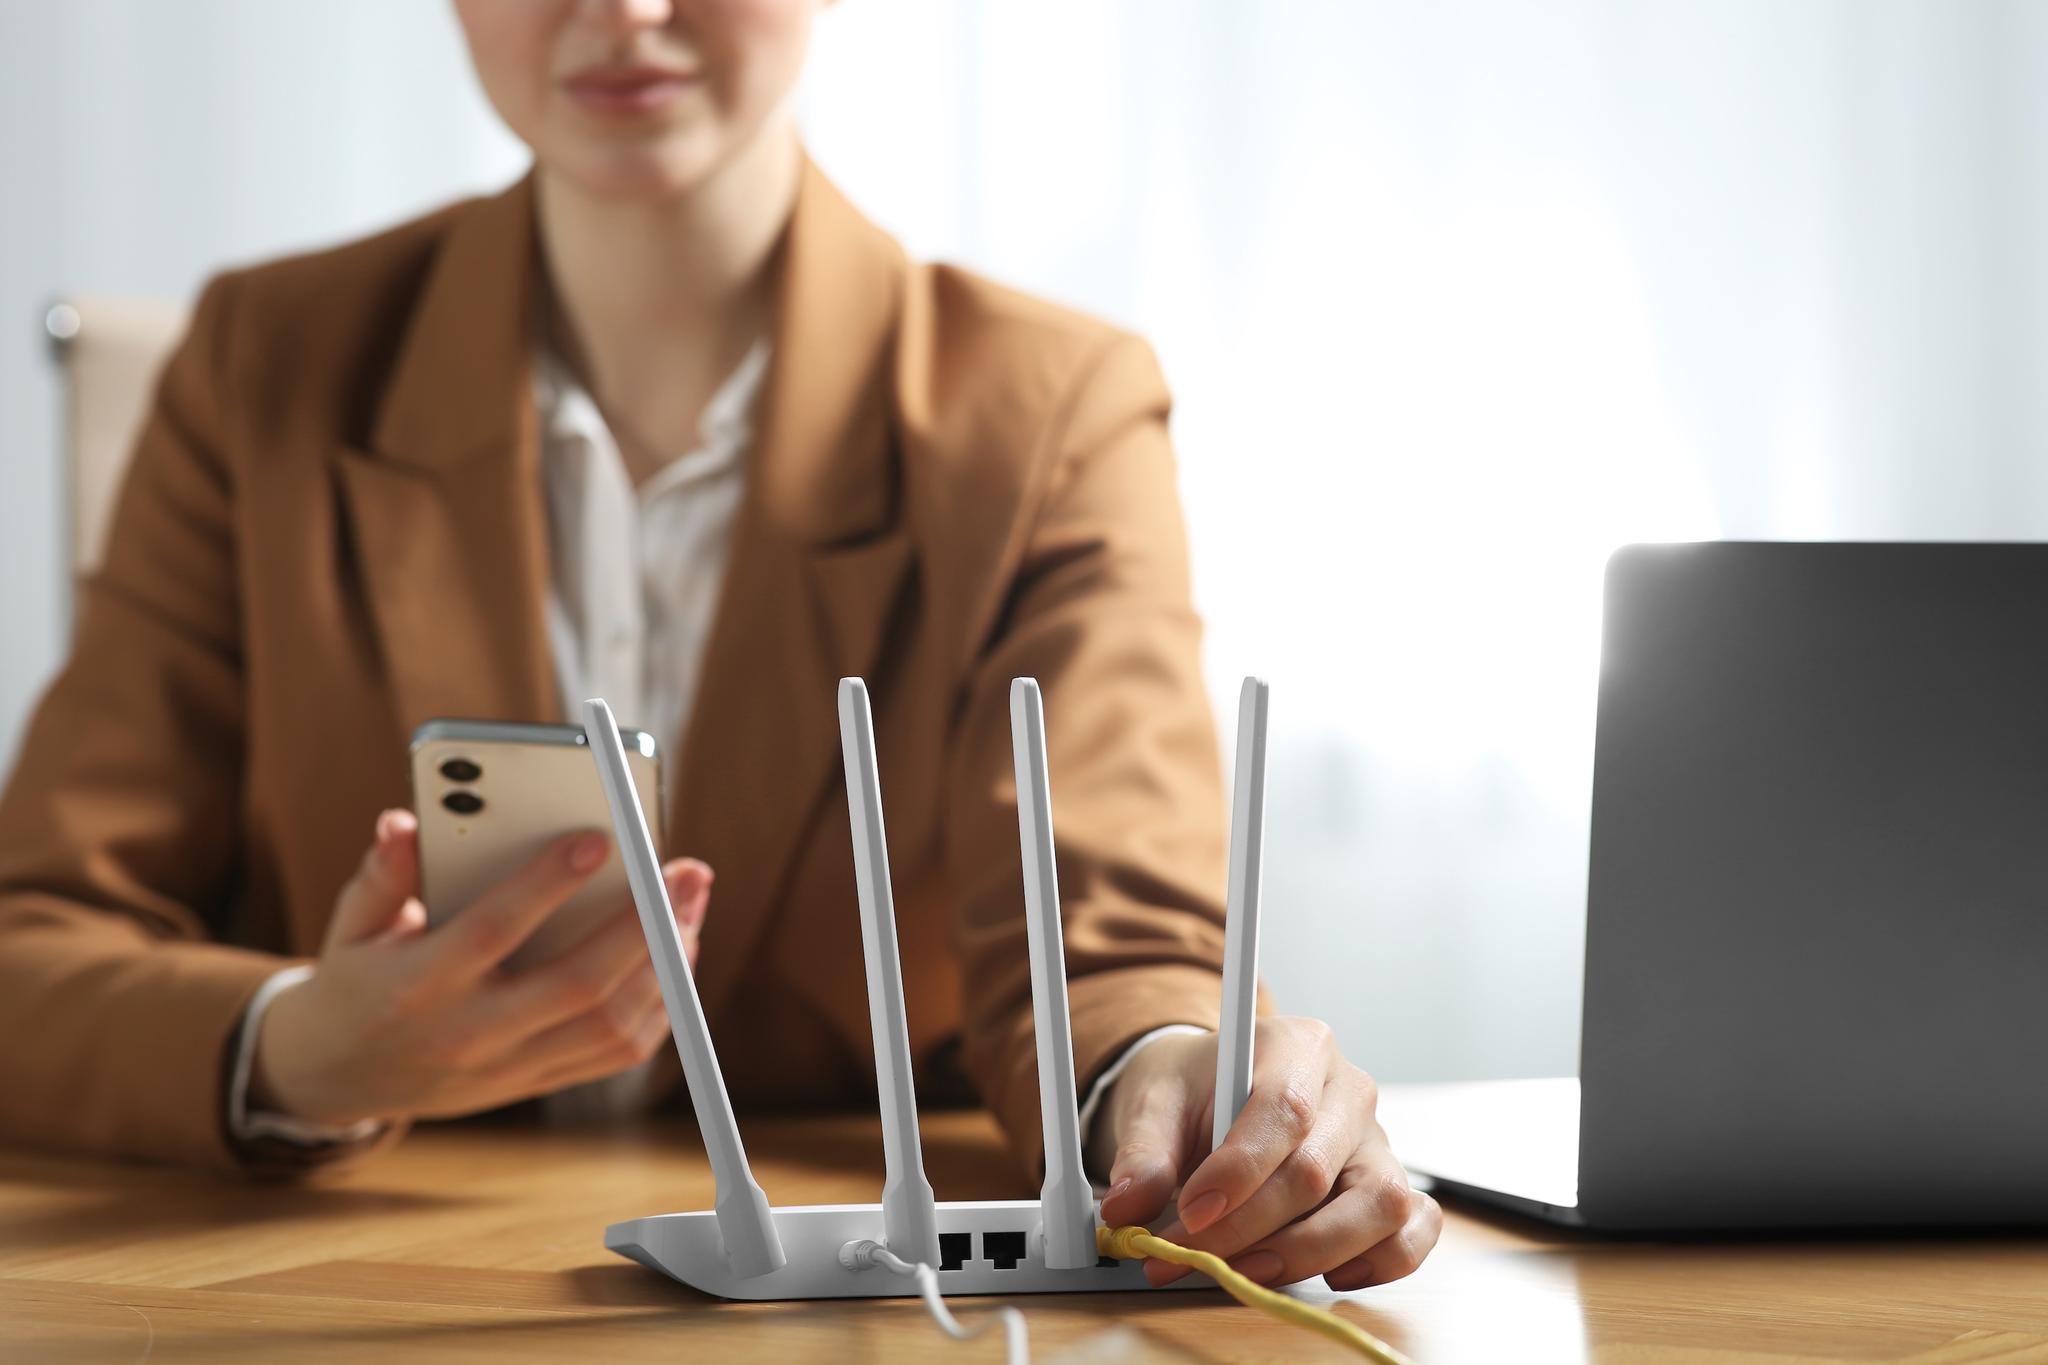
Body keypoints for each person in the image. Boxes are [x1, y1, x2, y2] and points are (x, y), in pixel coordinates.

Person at [0, 0, 1439, 1292]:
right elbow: (32, 940)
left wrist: (1180, 1074)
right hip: (339, 1292)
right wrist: (294, 1048)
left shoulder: (1048, 408)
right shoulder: (263, 363)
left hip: (853, 1307)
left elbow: (1110, 935)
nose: (625, 12)